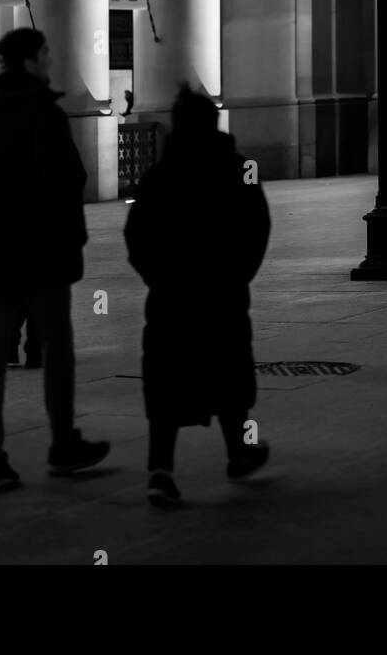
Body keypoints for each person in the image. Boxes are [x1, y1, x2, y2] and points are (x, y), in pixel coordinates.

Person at [0, 27, 109, 493]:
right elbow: (69, 179)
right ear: (29, 61)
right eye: (46, 54)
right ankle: (63, 445)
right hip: (42, 252)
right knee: (57, 346)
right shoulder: (44, 114)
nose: (51, 61)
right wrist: (71, 241)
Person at [124, 86, 271, 507]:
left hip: (171, 300)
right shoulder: (238, 170)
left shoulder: (160, 175)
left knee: (167, 384)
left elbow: (136, 236)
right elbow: (256, 228)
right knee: (229, 374)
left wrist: (158, 277)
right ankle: (239, 451)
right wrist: (237, 275)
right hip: (222, 295)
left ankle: (160, 469)